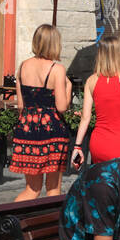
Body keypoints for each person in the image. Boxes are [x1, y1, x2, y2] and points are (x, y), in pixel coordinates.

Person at [9, 24, 74, 201]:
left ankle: (12, 219)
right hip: (52, 131)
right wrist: (69, 88)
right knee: (53, 189)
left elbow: (21, 105)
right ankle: (51, 225)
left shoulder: (22, 67)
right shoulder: (57, 69)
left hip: (27, 129)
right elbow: (62, 107)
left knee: (31, 189)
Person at [71, 37, 120, 168]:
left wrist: (77, 146)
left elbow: (85, 118)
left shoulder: (91, 80)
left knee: (102, 181)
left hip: (98, 142)